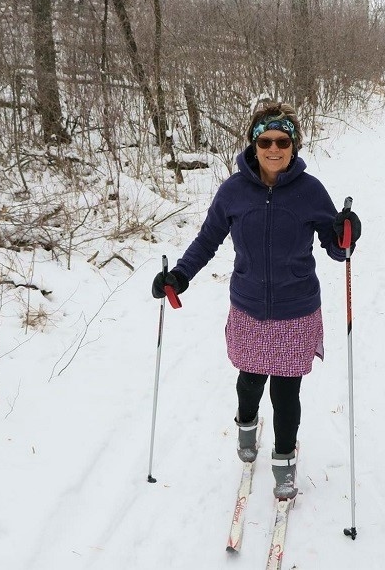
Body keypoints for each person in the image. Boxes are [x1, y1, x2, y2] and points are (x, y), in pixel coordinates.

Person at [151, 99, 361, 500]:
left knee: (286, 392)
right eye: (265, 141)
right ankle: (246, 426)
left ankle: (284, 461)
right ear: (253, 143)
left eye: (283, 141)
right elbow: (207, 240)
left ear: (294, 145)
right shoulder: (233, 191)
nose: (274, 149)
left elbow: (338, 249)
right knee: (249, 382)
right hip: (248, 305)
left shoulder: (311, 191)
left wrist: (346, 232)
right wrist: (179, 275)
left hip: (296, 308)